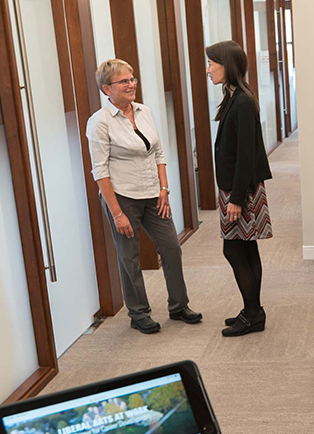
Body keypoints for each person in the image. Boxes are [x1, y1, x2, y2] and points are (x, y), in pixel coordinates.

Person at [86, 59, 201, 334]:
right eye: (123, 81)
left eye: (132, 79)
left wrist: (164, 190)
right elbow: (100, 171)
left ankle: (179, 305)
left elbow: (158, 153)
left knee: (171, 248)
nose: (131, 84)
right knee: (130, 257)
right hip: (122, 197)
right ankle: (138, 313)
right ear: (106, 89)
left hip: (153, 194)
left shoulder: (145, 111)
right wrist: (116, 213)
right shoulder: (99, 122)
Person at [205, 41, 273, 337]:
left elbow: (246, 153)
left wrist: (235, 199)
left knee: (234, 249)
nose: (208, 70)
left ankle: (254, 313)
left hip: (240, 190)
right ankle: (251, 310)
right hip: (237, 187)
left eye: (212, 64)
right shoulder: (234, 96)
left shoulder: (243, 101)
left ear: (227, 65)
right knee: (245, 247)